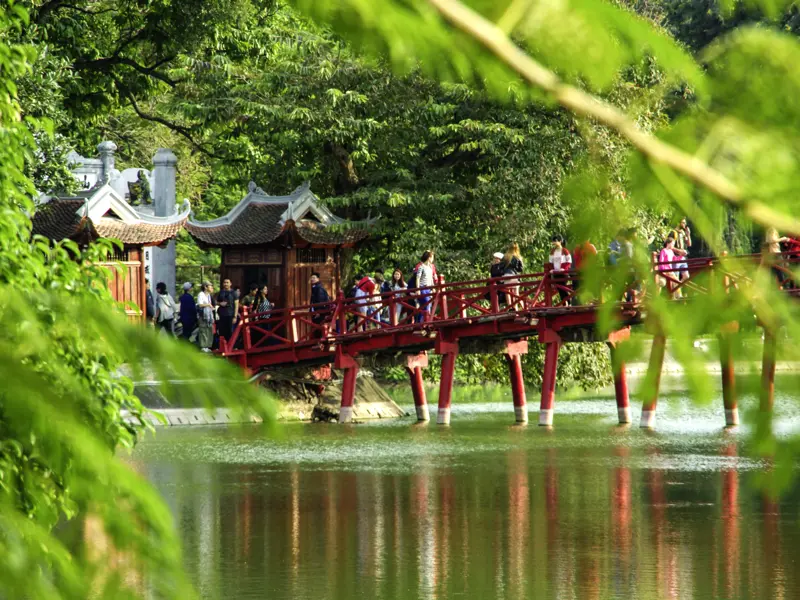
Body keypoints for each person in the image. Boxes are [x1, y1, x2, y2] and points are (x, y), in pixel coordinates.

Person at [549, 235, 572, 305]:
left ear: (560, 241)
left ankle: (568, 302)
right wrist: (552, 269)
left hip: (563, 273)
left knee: (563, 287)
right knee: (559, 289)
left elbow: (569, 261)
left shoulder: (565, 251)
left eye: (556, 241)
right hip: (556, 273)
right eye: (554, 241)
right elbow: (550, 262)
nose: (554, 243)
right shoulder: (552, 251)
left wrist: (564, 269)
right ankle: (565, 303)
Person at [415, 250, 436, 323]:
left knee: (427, 306)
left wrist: (433, 288)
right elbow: (418, 278)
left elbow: (431, 279)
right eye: (432, 257)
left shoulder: (430, 267)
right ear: (429, 258)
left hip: (429, 289)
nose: (433, 259)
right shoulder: (421, 267)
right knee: (426, 304)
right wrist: (418, 289)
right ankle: (424, 322)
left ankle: (423, 322)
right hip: (422, 288)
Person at [216, 278, 239, 342]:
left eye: (227, 282)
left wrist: (235, 316)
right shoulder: (221, 292)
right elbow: (216, 302)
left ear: (230, 284)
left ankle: (231, 346)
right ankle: (222, 346)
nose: (226, 284)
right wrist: (220, 303)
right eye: (224, 282)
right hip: (222, 314)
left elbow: (236, 305)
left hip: (230, 314)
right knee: (222, 331)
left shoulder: (234, 293)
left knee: (230, 331)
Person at [196, 281, 215, 352]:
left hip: (209, 316)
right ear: (205, 287)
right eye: (210, 286)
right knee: (203, 330)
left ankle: (207, 346)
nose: (212, 287)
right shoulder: (201, 294)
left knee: (209, 330)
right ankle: (203, 346)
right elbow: (200, 304)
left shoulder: (209, 295)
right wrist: (208, 305)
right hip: (202, 315)